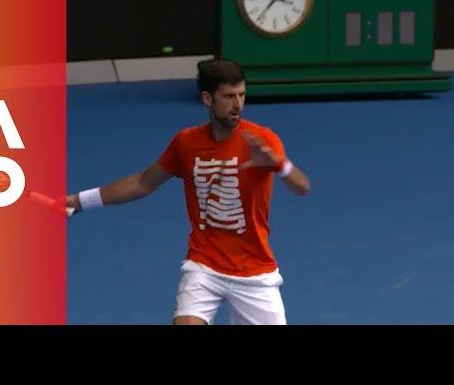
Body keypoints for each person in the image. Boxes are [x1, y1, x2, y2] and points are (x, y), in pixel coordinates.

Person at [66, 58, 310, 325]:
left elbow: (302, 187)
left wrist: (279, 164)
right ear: (207, 99)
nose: (238, 104)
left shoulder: (261, 140)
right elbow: (143, 183)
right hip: (204, 266)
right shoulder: (186, 143)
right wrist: (78, 201)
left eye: (241, 95)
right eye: (228, 96)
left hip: (254, 274)